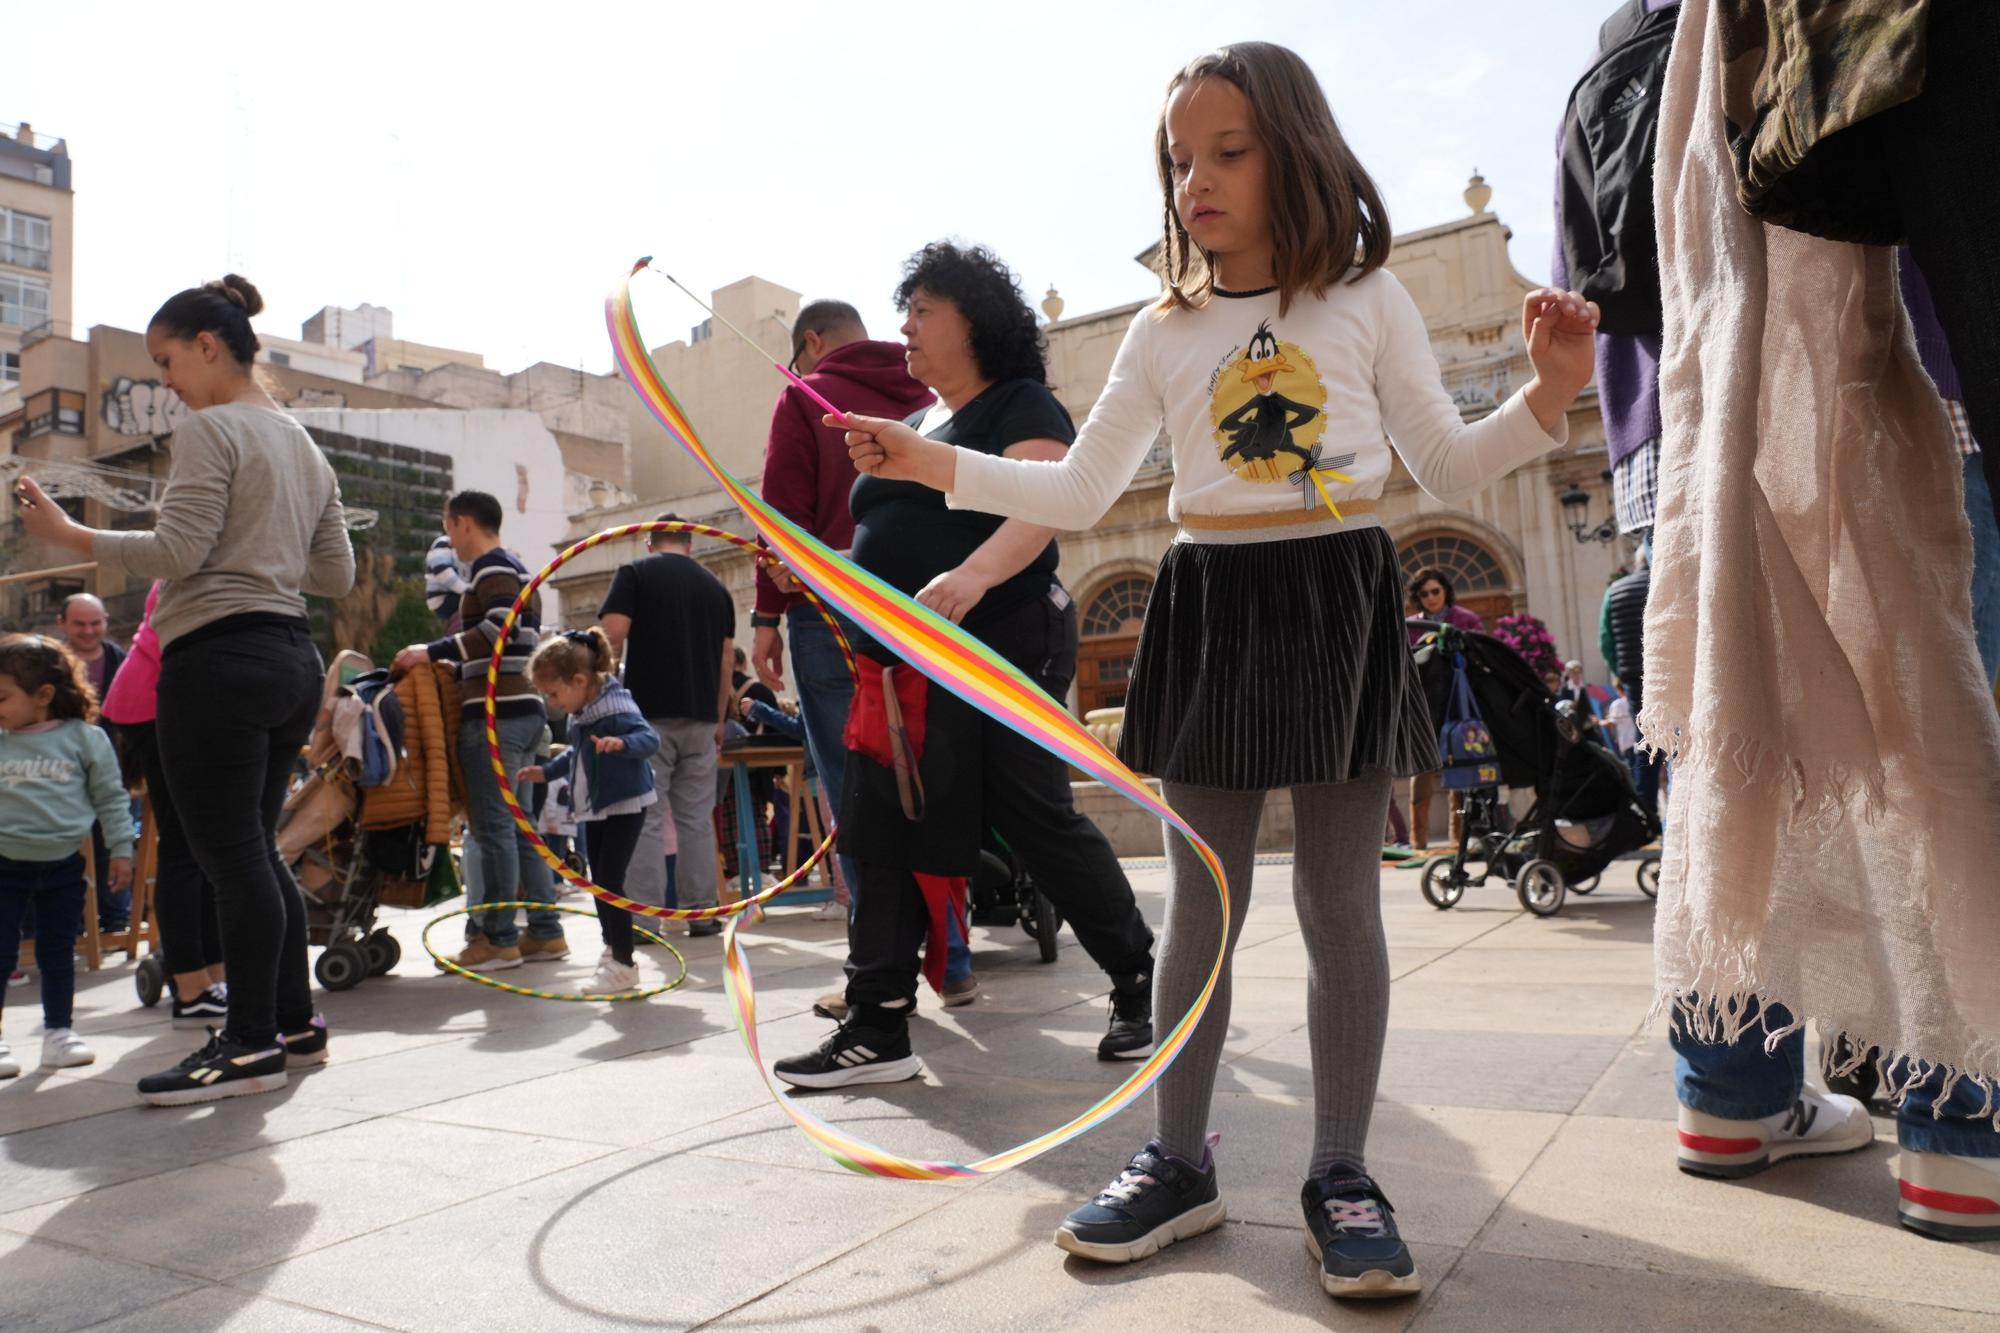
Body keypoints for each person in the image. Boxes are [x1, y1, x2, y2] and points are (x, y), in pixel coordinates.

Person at [834, 45, 1597, 1299]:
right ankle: (1175, 1161)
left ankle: (1341, 1173)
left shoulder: (1367, 299)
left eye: (1226, 151)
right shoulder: (1160, 328)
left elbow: (1450, 467)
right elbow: (1081, 489)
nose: (1196, 180)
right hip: (1210, 595)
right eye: (1179, 159)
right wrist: (935, 468)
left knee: (1341, 902)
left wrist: (1547, 393)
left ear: (1293, 150)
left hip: (1338, 588)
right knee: (1205, 898)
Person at [773, 239, 1162, 1093]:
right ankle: (876, 1021)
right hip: (899, 661)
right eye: (903, 310)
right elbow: (888, 533)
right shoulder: (915, 426)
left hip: (1000, 638)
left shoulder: (1018, 403)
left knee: (1031, 815)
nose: (904, 327)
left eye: (921, 310)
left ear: (973, 322)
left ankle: (1140, 978)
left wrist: (976, 573)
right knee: (881, 826)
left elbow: (1047, 495)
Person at [16, 274, 354, 1105]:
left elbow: (177, 548)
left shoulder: (213, 432)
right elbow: (336, 573)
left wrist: (69, 531)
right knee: (255, 849)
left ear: (209, 347)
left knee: (229, 855)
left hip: (220, 659)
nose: (165, 382)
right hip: (289, 656)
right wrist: (267, 546)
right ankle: (294, 1024)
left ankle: (246, 1044)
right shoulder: (304, 445)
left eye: (167, 361)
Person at [750, 299, 935, 953]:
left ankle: (878, 959)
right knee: (930, 772)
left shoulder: (804, 394)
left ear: (810, 341)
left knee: (851, 783)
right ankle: (952, 947)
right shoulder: (927, 390)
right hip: (923, 607)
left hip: (826, 609)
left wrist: (765, 618)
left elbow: (783, 516)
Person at [395, 491, 566, 972]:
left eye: (449, 528)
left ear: (463, 522)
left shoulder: (492, 568)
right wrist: (456, 662)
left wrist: (432, 651)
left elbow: (500, 629)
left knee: (493, 830)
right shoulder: (510, 567)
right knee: (517, 827)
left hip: (498, 716)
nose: (449, 539)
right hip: (520, 712)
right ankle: (546, 933)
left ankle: (498, 939)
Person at [0, 636, 134, 1078]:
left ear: (43, 696)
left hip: (61, 866)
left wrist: (121, 850)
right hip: (4, 865)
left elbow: (111, 800)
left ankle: (58, 1033)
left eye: (3, 697)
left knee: (59, 952)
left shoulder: (85, 739)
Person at [597, 517, 734, 939]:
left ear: (650, 541)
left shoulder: (635, 573)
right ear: (690, 544)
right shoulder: (717, 589)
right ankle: (702, 912)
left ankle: (644, 919)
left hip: (649, 715)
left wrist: (603, 690)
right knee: (695, 818)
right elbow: (727, 659)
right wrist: (719, 716)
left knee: (649, 816)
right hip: (702, 718)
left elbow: (612, 634)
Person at [100, 582, 227, 1026]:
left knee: (204, 849)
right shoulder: (195, 556)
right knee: (185, 847)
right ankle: (191, 986)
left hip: (162, 699)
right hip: (157, 702)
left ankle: (211, 977)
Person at [518, 629, 660, 995]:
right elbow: (575, 754)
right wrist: (547, 771)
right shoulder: (585, 712)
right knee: (599, 881)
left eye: (553, 693)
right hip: (598, 805)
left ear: (579, 680)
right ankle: (613, 951)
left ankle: (624, 963)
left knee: (610, 882)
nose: (551, 702)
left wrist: (622, 743)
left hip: (625, 803)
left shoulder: (616, 709)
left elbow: (650, 739)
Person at [58, 594, 130, 932]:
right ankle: (68, 922)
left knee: (116, 842)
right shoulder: (49, 664)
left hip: (115, 771)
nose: (88, 631)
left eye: (95, 623)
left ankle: (116, 918)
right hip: (61, 774)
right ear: (63, 624)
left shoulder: (124, 662)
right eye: (79, 624)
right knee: (64, 849)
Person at [1404, 568, 1486, 851]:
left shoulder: (1466, 620)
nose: (1430, 597)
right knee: (1422, 769)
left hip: (1456, 707)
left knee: (1458, 768)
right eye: (1424, 593)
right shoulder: (1410, 626)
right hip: (1423, 710)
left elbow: (1479, 660)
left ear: (1445, 591)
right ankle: (1418, 840)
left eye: (1435, 591)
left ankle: (1457, 837)